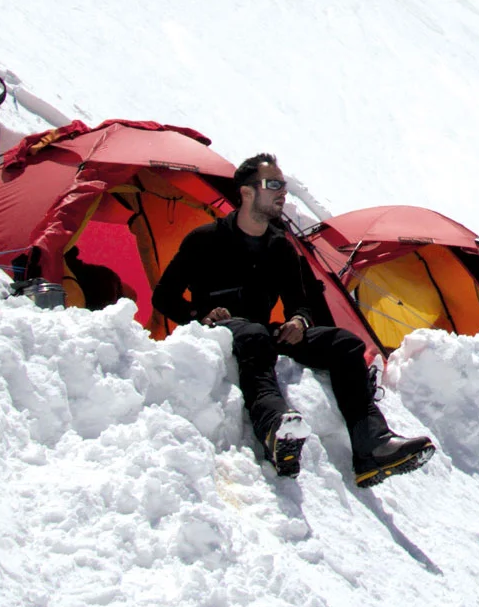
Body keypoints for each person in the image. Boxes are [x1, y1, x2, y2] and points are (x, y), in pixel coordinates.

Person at [154, 153, 433, 485]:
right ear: (246, 192)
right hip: (220, 331)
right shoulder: (204, 240)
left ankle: (372, 446)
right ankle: (274, 428)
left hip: (261, 331)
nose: (281, 193)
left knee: (346, 344)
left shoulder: (280, 248)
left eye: (283, 186)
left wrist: (299, 322)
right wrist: (200, 315)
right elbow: (163, 296)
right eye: (272, 185)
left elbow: (301, 303)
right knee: (254, 334)